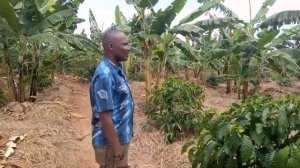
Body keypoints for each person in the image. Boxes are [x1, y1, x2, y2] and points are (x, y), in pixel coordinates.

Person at [90, 28, 134, 168]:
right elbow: (105, 117)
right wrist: (118, 150)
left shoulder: (117, 68)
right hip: (110, 143)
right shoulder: (105, 74)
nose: (129, 48)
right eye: (125, 44)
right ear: (110, 46)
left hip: (119, 137)